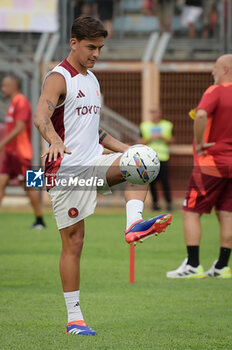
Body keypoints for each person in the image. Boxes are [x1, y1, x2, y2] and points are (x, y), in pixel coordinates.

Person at [34, 16, 172, 335]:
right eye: (91, 47)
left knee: (146, 160)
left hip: (94, 161)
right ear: (74, 43)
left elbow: (93, 131)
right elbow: (41, 113)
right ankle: (74, 318)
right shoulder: (59, 77)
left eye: (101, 48)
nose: (97, 54)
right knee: (74, 243)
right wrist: (54, 140)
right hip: (67, 171)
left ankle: (133, 224)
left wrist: (130, 150)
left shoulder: (93, 80)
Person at [167, 54, 232, 279]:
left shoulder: (215, 91)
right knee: (226, 213)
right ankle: (222, 266)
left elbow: (202, 113)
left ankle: (193, 265)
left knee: (191, 211)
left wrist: (201, 141)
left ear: (223, 69)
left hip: (210, 163)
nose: (212, 72)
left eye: (214, 68)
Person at [0, 75, 46, 229]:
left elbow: (20, 128)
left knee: (30, 186)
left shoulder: (22, 102)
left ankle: (40, 220)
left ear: (14, 87)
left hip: (22, 153)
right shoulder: (13, 103)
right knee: (1, 184)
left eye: (5, 86)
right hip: (10, 153)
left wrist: (2, 143)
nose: (2, 89)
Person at [140, 107, 173, 211]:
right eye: (152, 112)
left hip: (163, 157)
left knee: (164, 181)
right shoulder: (144, 126)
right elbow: (140, 140)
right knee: (152, 182)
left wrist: (163, 137)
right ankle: (155, 204)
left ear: (160, 113)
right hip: (149, 159)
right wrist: (150, 138)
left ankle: (168, 203)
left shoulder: (167, 125)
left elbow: (172, 139)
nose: (154, 114)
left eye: (155, 112)